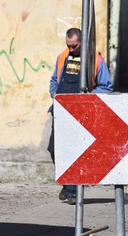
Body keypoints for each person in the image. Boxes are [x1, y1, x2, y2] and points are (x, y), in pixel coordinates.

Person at [48, 28, 112, 204]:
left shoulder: (96, 61)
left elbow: (105, 87)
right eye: (68, 46)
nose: (70, 49)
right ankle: (67, 184)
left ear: (82, 43)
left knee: (76, 152)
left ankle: (73, 190)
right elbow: (54, 80)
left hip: (82, 116)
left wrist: (85, 101)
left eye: (74, 46)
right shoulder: (62, 57)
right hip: (60, 112)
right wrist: (54, 94)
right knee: (54, 149)